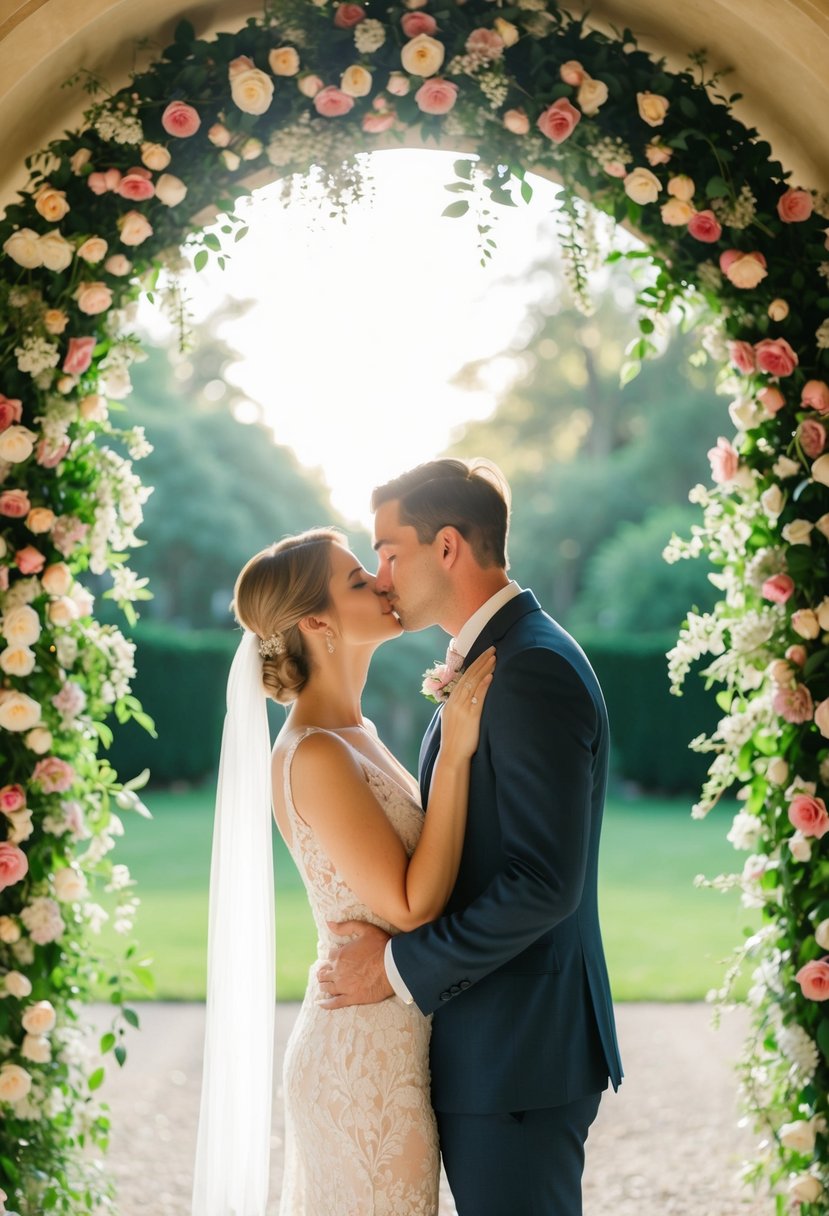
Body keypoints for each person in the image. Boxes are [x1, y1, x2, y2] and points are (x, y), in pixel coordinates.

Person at [318, 458, 624, 1216]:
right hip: (497, 1052)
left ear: (446, 546)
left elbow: (540, 884)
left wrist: (394, 969)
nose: (381, 575)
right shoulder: (503, 657)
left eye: (389, 551)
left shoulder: (531, 671)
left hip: (517, 1056)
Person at [191, 526, 495, 1216]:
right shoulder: (315, 755)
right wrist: (454, 755)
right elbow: (412, 905)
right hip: (360, 1064)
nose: (384, 583)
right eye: (360, 580)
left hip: (394, 1045)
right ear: (317, 622)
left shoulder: (360, 736)